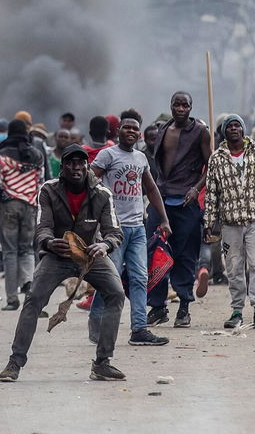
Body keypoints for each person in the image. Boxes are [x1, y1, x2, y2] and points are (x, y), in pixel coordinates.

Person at [0, 144, 126, 383]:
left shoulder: (102, 194)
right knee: (34, 298)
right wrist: (48, 242)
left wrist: (104, 246)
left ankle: (102, 363)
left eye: (81, 163)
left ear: (87, 166)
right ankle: (15, 362)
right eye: (70, 163)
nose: (76, 167)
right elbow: (42, 227)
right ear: (62, 168)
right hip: (57, 255)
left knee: (117, 293)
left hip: (91, 254)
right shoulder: (48, 190)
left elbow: (114, 232)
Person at [90, 116, 171, 346]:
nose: (131, 131)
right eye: (127, 127)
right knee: (110, 279)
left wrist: (163, 219)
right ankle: (96, 324)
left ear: (139, 134)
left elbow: (152, 189)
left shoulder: (141, 157)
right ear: (118, 131)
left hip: (137, 228)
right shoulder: (108, 155)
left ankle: (139, 329)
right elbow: (89, 183)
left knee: (139, 278)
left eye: (135, 129)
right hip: (113, 230)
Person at [146, 91, 212, 328]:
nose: (181, 108)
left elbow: (210, 166)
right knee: (155, 252)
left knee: (185, 256)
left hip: (186, 202)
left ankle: (184, 307)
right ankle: (157, 306)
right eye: (177, 104)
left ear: (191, 108)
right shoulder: (163, 129)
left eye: (186, 105)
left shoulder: (200, 133)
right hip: (161, 200)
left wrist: (196, 188)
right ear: (171, 106)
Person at [204, 114, 255, 330]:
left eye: (237, 126)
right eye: (230, 126)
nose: (234, 129)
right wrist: (209, 221)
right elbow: (212, 194)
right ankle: (236, 310)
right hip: (230, 221)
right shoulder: (216, 158)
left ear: (243, 130)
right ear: (224, 132)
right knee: (234, 268)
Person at [0, 119, 44, 311]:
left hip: (9, 207)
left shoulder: (1, 156)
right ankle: (29, 286)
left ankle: (12, 299)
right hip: (31, 206)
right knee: (27, 250)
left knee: (9, 252)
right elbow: (41, 182)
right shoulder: (37, 155)